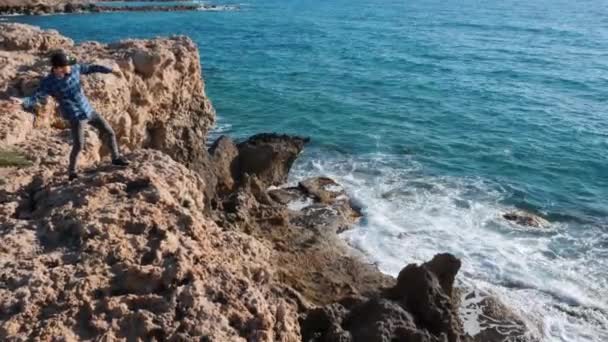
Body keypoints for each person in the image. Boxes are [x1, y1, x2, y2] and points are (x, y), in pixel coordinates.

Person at [11, 51, 129, 180]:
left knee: (109, 132)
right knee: (79, 145)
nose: (70, 67)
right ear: (57, 68)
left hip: (89, 110)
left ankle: (116, 158)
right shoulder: (49, 82)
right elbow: (37, 97)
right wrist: (23, 102)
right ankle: (72, 172)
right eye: (67, 65)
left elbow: (91, 68)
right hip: (75, 116)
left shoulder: (75, 69)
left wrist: (110, 70)